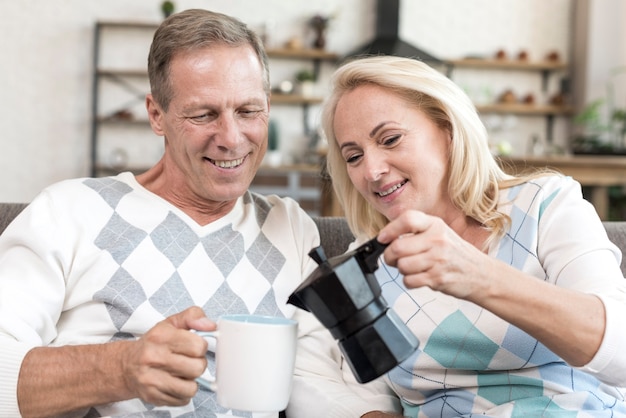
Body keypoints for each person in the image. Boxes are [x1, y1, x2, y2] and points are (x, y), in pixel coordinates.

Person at [0, 9, 392, 418]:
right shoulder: (70, 212)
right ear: (157, 115)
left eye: (248, 111)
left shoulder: (289, 226)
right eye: (203, 115)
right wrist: (119, 369)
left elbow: (317, 374)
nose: (231, 138)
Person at [288, 55, 626, 417]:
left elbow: (619, 352)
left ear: (447, 131)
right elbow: (357, 386)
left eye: (390, 139)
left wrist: (477, 275)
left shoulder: (546, 205)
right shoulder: (368, 263)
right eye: (353, 156)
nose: (372, 170)